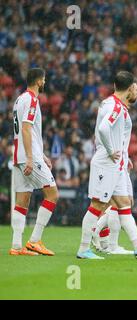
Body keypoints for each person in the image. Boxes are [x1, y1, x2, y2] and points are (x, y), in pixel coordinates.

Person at [77, 73, 137, 259]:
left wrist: (124, 154)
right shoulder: (116, 107)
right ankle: (83, 249)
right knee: (97, 205)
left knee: (124, 204)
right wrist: (110, 150)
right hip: (107, 163)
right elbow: (103, 129)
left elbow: (110, 133)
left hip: (116, 162)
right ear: (130, 88)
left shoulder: (111, 104)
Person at [10, 67, 59, 256]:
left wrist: (42, 154)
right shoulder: (31, 99)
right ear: (39, 81)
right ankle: (34, 240)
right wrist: (32, 157)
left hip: (19, 155)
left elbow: (28, 131)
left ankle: (16, 246)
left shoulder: (19, 99)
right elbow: (26, 129)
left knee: (22, 200)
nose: (44, 83)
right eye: (44, 80)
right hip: (28, 156)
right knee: (52, 194)